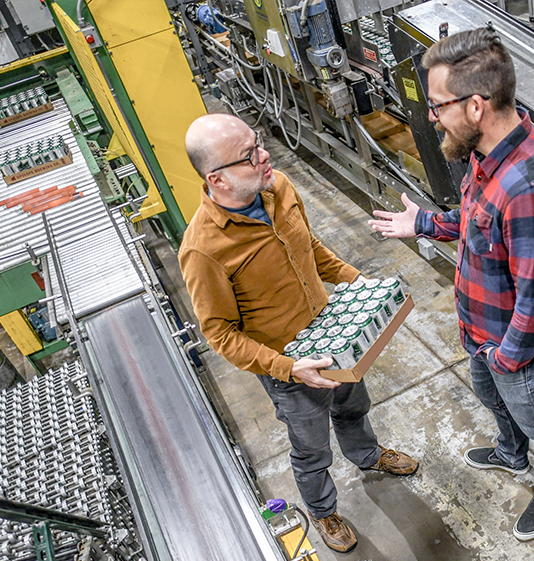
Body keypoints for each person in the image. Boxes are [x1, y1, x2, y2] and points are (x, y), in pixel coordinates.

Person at [368, 27, 534, 541]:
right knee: (494, 403)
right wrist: (426, 224)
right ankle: (509, 454)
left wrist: (508, 358)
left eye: (438, 105)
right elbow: (477, 221)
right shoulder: (487, 156)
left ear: (476, 105)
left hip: (515, 350)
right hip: (480, 333)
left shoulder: (529, 186)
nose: (431, 115)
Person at [179, 113, 418, 553]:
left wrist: (355, 282)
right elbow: (220, 334)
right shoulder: (202, 249)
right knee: (310, 448)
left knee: (353, 408)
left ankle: (367, 456)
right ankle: (323, 509)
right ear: (218, 179)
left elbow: (310, 249)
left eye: (259, 142)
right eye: (249, 155)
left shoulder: (280, 187)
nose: (264, 154)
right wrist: (288, 368)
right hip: (289, 369)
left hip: (334, 336)